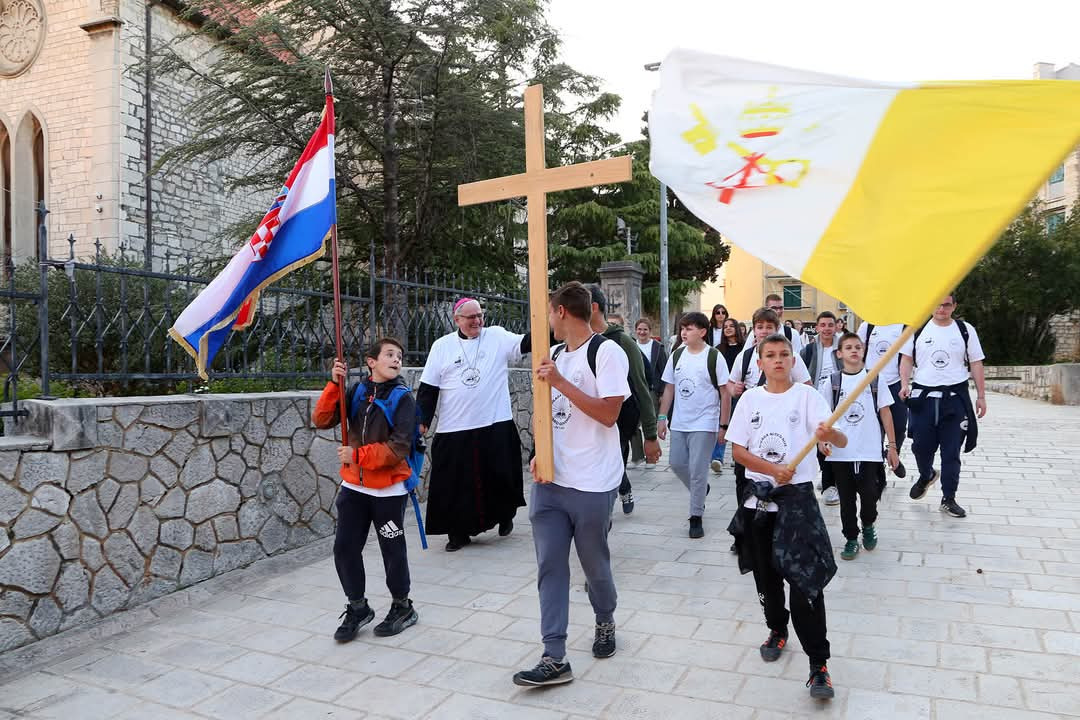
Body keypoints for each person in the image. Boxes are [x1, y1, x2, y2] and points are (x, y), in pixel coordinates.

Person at [513, 282, 630, 688]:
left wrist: (561, 382)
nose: (547, 320)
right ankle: (554, 654)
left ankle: (605, 619)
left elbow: (610, 414)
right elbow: (545, 414)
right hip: (550, 483)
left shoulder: (606, 352)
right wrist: (538, 451)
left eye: (549, 312)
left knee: (595, 565)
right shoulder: (556, 355)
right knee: (549, 566)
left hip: (593, 483)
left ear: (562, 312)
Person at [727, 333, 846, 700]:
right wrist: (770, 469)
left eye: (784, 354)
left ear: (793, 360)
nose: (778, 360)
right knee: (767, 579)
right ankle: (777, 629)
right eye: (770, 355)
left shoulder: (807, 397)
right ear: (759, 362)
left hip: (797, 503)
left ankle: (818, 665)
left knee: (806, 585)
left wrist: (830, 434)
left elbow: (836, 442)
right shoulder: (750, 399)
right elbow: (738, 452)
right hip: (760, 503)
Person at [312, 338, 420, 642]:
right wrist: (334, 384)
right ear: (371, 361)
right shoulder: (357, 390)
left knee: (392, 551)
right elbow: (321, 419)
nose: (396, 359)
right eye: (389, 354)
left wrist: (357, 456)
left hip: (388, 491)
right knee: (344, 549)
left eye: (399, 355)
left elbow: (399, 447)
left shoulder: (403, 398)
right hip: (354, 488)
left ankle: (403, 607)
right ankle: (358, 608)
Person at [418, 298, 527, 551]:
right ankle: (457, 534)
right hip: (455, 428)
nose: (477, 321)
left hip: (495, 422)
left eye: (479, 315)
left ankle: (504, 516)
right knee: (455, 485)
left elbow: (525, 343)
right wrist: (421, 421)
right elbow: (428, 389)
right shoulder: (442, 346)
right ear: (457, 320)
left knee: (499, 476)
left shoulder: (497, 336)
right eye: (470, 317)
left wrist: (553, 326)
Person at [899, 294, 987, 519]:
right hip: (924, 397)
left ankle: (949, 498)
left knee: (951, 452)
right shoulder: (916, 329)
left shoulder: (965, 330)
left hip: (954, 398)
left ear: (954, 306)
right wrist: (904, 384)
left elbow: (976, 362)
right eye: (937, 304)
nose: (941, 309)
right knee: (920, 447)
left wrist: (981, 396)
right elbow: (906, 359)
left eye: (947, 304)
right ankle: (926, 474)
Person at [818, 332, 901, 561]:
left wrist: (892, 447)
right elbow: (823, 417)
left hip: (869, 451)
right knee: (846, 500)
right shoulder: (832, 383)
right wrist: (822, 440)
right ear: (840, 353)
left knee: (869, 496)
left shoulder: (874, 379)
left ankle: (868, 524)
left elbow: (885, 412)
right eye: (848, 347)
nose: (854, 351)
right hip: (840, 453)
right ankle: (851, 538)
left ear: (863, 350)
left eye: (857, 347)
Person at [727, 308, 813, 512]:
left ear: (778, 329)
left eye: (769, 327)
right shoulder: (745, 357)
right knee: (744, 474)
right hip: (752, 423)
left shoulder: (790, 357)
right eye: (760, 327)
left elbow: (807, 386)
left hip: (780, 423)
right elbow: (730, 385)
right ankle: (746, 516)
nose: (764, 331)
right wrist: (734, 389)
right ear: (753, 330)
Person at [585, 285, 661, 514]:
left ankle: (616, 497)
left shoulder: (622, 343)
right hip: (589, 419)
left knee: (613, 460)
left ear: (593, 307)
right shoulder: (575, 342)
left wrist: (650, 435)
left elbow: (641, 388)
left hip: (621, 419)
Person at [657, 311, 730, 538]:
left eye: (689, 328)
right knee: (677, 464)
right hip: (679, 422)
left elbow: (725, 393)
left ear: (702, 331)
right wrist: (662, 417)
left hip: (705, 422)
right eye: (682, 328)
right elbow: (669, 388)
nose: (684, 332)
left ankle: (696, 516)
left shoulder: (714, 356)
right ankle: (701, 491)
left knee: (698, 471)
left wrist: (723, 425)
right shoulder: (677, 355)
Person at [801, 311, 841, 506]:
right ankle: (827, 480)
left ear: (836, 327)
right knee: (820, 439)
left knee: (833, 439)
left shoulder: (841, 349)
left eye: (830, 325)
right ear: (817, 328)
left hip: (839, 402)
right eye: (823, 325)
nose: (826, 329)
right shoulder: (808, 350)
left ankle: (830, 484)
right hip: (815, 400)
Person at [857, 321, 909, 461]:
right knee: (874, 429)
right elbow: (859, 351)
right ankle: (878, 469)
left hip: (894, 383)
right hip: (871, 385)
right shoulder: (867, 326)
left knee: (899, 426)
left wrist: (905, 383)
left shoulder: (904, 326)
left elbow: (907, 357)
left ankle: (892, 455)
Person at [630, 317, 668, 468]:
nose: (642, 332)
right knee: (633, 423)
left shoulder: (657, 348)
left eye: (645, 329)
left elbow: (664, 371)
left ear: (650, 331)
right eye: (639, 329)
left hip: (652, 390)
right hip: (635, 390)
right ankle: (637, 456)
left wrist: (662, 393)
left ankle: (651, 458)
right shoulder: (631, 346)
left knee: (649, 422)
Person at [711, 317, 744, 474]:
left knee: (738, 424)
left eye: (732, 326)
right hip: (723, 390)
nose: (728, 329)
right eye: (726, 327)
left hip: (740, 391)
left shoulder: (745, 349)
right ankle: (717, 457)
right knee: (722, 421)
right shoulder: (718, 349)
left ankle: (737, 456)